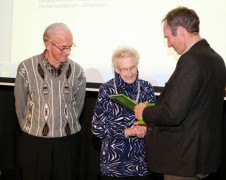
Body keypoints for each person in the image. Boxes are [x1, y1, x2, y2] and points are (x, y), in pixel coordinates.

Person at [134, 6, 226, 180]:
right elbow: (196, 108)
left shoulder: (191, 59)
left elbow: (173, 114)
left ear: (181, 32)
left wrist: (144, 112)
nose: (168, 43)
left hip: (183, 160)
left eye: (168, 37)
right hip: (202, 157)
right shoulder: (216, 59)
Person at [14, 23, 86, 180]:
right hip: (35, 142)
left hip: (68, 142)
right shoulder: (26, 68)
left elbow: (78, 105)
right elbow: (20, 105)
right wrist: (33, 127)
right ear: (48, 44)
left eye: (70, 47)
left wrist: (64, 123)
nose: (67, 52)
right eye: (63, 47)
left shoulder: (78, 71)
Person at [91, 46, 156, 180]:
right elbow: (97, 128)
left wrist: (146, 128)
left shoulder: (146, 87)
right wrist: (128, 131)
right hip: (113, 165)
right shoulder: (107, 90)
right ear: (116, 69)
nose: (130, 73)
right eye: (124, 69)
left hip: (141, 164)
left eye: (133, 67)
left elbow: (156, 121)